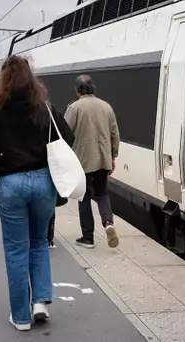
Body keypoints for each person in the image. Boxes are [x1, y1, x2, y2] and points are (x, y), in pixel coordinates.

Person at [0, 55, 74, 331]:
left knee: (16, 250)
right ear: (31, 79)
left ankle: (21, 317)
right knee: (39, 242)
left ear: (3, 79)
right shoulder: (45, 108)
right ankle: (40, 301)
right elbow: (68, 138)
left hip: (11, 185)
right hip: (42, 183)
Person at [64, 75, 120, 249]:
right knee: (102, 194)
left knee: (84, 197)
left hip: (83, 161)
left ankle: (88, 238)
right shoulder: (107, 107)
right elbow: (114, 134)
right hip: (103, 158)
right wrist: (112, 156)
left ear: (77, 90)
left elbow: (65, 132)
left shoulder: (75, 108)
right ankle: (108, 223)